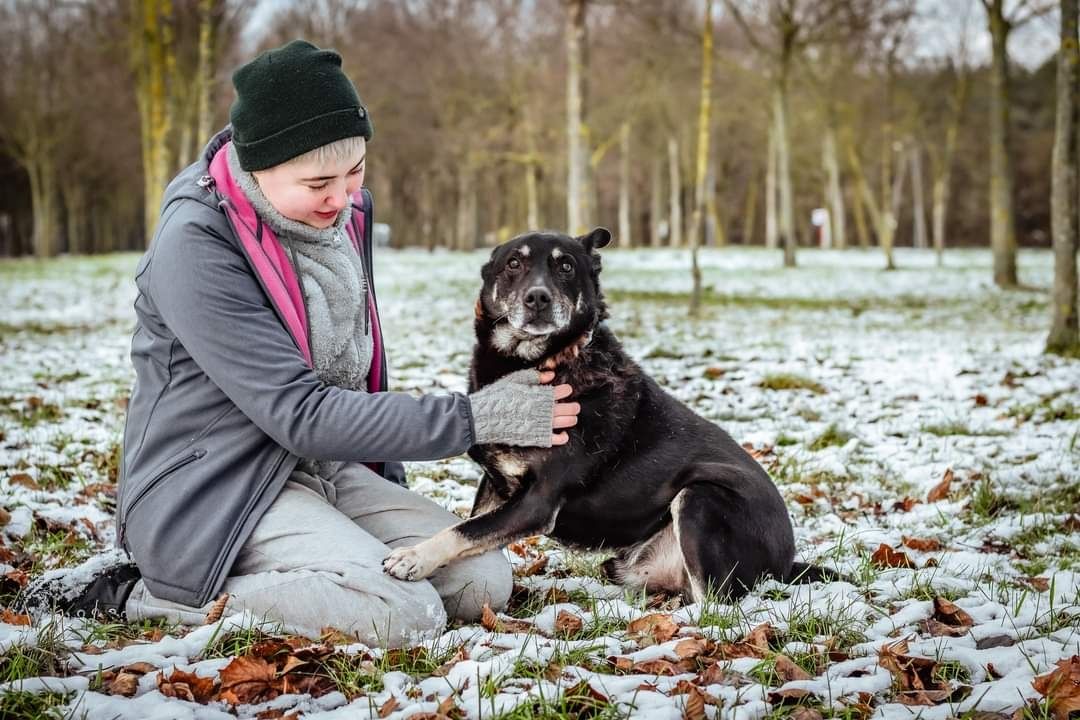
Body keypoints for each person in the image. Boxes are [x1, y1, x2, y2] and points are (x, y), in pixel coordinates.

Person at [27, 39, 579, 647]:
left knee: (479, 579)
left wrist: (384, 473)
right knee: (398, 610)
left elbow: (354, 373)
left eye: (355, 172)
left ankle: (321, 566)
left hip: (320, 466)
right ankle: (141, 594)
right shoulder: (196, 245)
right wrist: (476, 417)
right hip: (217, 489)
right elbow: (300, 412)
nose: (343, 198)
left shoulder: (335, 218)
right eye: (319, 181)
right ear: (257, 167)